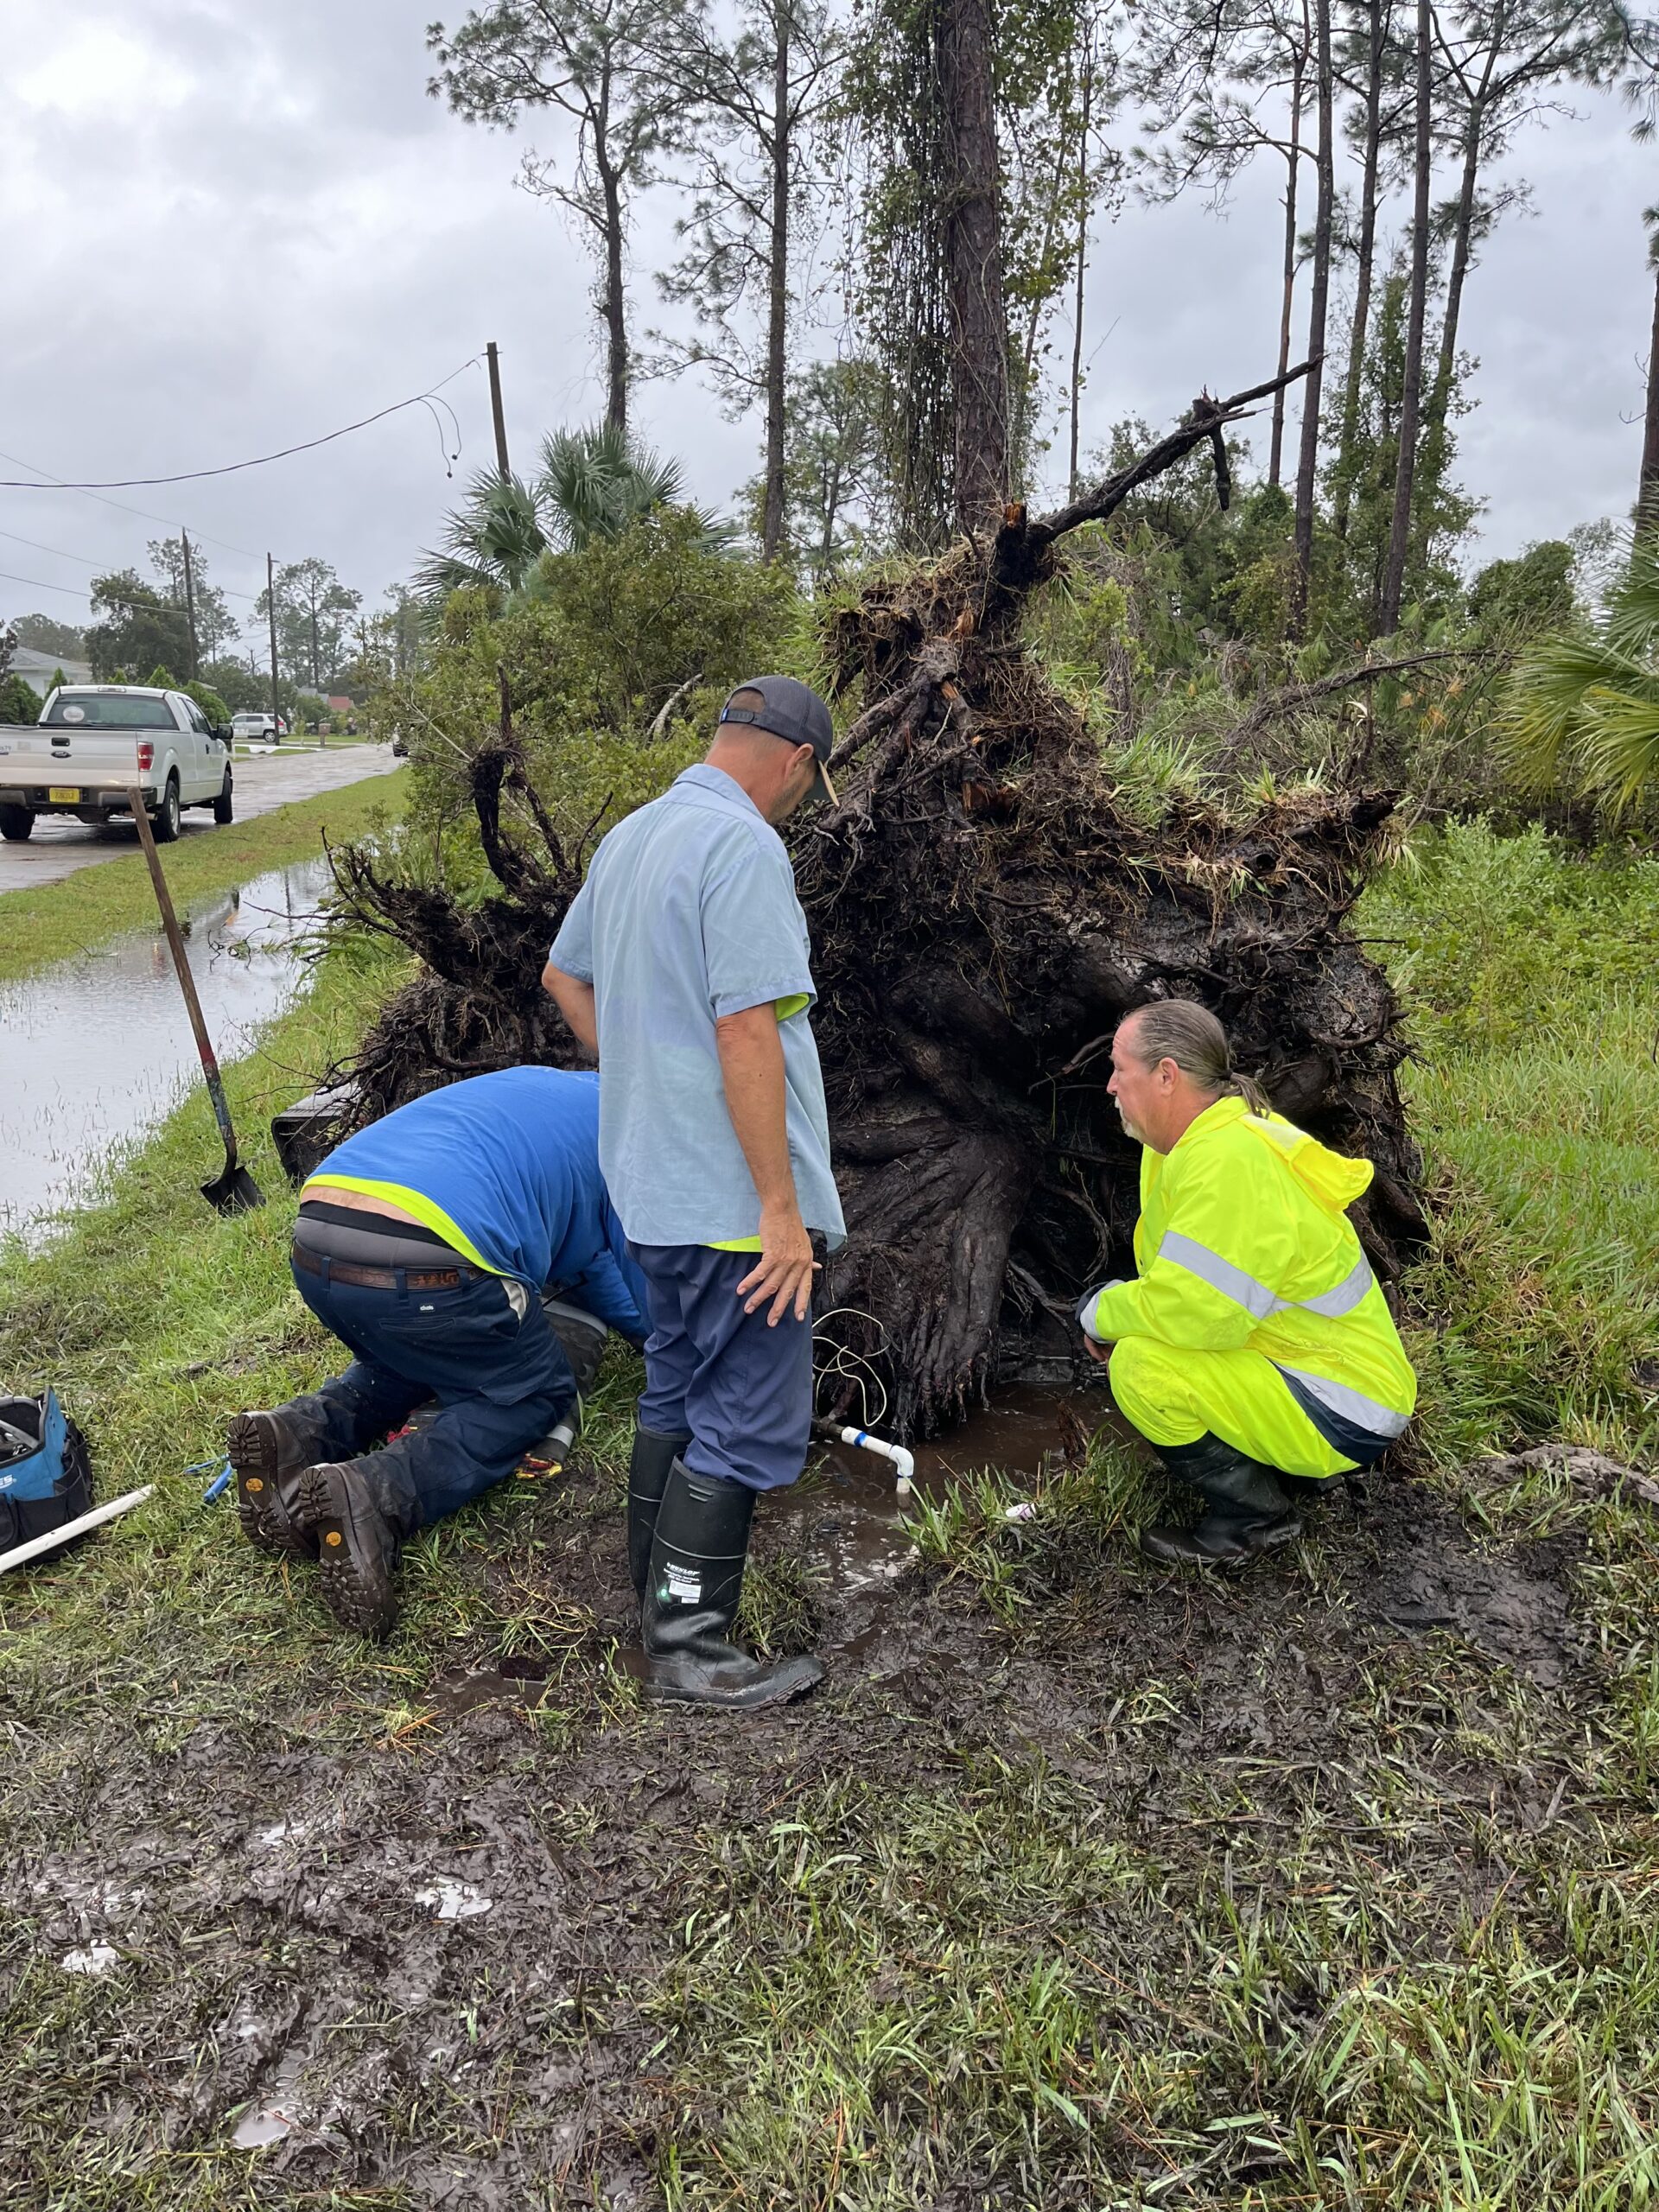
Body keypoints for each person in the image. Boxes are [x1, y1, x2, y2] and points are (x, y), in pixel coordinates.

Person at [543, 675, 846, 1711]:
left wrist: (640, 1067)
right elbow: (744, 1026)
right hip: (726, 1202)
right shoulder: (745, 848)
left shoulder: (634, 835)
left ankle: (653, 1596)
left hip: (648, 1186)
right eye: (809, 784)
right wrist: (778, 1208)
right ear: (798, 761)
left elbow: (564, 976)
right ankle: (688, 1646)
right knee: (746, 1414)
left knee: (676, 1386)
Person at [228, 1067, 647, 1641]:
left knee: (414, 1355)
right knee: (533, 1392)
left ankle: (298, 1433)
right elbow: (627, 1265)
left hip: (318, 1238)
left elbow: (590, 1255)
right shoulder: (631, 1134)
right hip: (429, 1254)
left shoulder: (548, 1087)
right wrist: (663, 1345)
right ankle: (377, 1493)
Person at [1076, 1001, 1416, 1566]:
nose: (1110, 1086)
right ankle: (1287, 1470)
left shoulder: (1227, 1163)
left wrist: (1102, 1312)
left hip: (1343, 1406)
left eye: (1119, 1069)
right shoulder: (1200, 1140)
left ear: (1166, 1076)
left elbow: (1197, 1313)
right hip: (1325, 1376)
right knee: (1155, 1341)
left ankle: (1253, 1522)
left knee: (1141, 1366)